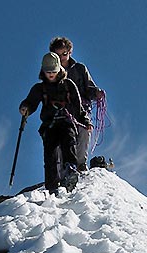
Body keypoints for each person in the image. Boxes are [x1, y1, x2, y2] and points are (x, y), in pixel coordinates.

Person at [19, 52, 92, 193]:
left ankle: (70, 172)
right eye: (48, 72)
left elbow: (78, 107)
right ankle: (52, 185)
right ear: (43, 71)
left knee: (68, 143)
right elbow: (31, 102)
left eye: (53, 71)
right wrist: (25, 108)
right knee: (50, 154)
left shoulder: (68, 85)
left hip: (66, 121)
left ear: (59, 69)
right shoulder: (39, 88)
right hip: (49, 126)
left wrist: (85, 120)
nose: (51, 74)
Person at [49, 36, 103, 171]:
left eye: (64, 54)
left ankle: (80, 164)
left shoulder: (79, 69)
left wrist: (96, 93)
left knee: (84, 132)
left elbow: (89, 87)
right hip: (60, 111)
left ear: (70, 52)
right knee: (63, 139)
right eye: (58, 55)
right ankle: (63, 169)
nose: (61, 57)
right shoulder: (51, 73)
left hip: (81, 109)